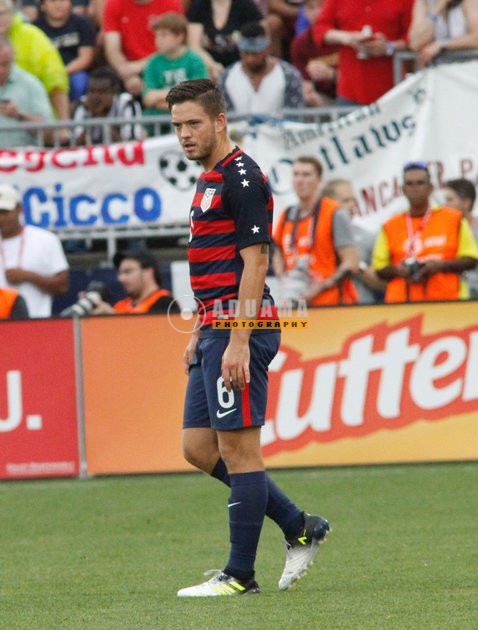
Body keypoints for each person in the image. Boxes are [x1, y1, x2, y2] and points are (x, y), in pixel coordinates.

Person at [166, 79, 330, 597]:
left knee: (240, 453)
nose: (184, 134)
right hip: (213, 325)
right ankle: (300, 525)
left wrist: (238, 340)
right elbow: (214, 265)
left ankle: (240, 575)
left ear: (219, 121)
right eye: (177, 125)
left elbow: (255, 263)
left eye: (193, 123)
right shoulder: (207, 179)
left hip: (240, 326)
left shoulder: (243, 177)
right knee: (198, 447)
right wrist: (199, 329)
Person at [372, 161, 478, 302]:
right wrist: (397, 270)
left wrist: (440, 266)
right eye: (409, 184)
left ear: (430, 188)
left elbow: (471, 260)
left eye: (420, 183)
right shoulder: (390, 225)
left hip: (448, 302)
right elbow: (379, 269)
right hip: (402, 304)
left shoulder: (454, 219)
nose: (415, 188)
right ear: (403, 190)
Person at [272, 157, 359, 307]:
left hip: (332, 304)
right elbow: (277, 250)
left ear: (319, 180)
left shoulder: (334, 213)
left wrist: (318, 288)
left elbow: (351, 263)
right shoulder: (287, 215)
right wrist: (282, 276)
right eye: (296, 174)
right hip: (296, 303)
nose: (300, 180)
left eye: (306, 175)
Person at [312, 0, 414, 105]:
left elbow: (414, 39)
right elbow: (319, 29)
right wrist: (347, 38)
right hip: (350, 91)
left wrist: (388, 47)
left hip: (392, 92)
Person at [0, 184, 69, 318]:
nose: (1, 218)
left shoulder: (46, 239)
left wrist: (30, 276)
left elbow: (62, 286)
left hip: (37, 323)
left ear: (19, 209)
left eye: (5, 212)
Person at [0, 0, 70, 123]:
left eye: (1, 13)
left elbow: (55, 80)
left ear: (11, 13)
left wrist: (63, 124)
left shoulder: (32, 36)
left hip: (33, 118)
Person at [217, 21, 305, 117]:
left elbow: (294, 117)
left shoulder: (288, 75)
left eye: (255, 53)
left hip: (279, 126)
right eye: (246, 53)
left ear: (268, 49)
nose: (250, 59)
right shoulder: (226, 77)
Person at [321, 178, 386, 304]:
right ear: (328, 203)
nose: (352, 205)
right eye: (346, 201)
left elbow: (383, 284)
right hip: (321, 308)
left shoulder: (367, 236)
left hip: (360, 309)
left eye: (353, 200)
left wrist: (356, 264)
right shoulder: (310, 237)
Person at [102, 0, 184, 97]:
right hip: (126, 68)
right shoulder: (114, 3)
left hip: (161, 64)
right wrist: (129, 76)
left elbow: (174, 44)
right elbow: (112, 49)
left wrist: (138, 67)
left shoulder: (171, 3)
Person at [142, 12, 208, 116]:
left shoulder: (194, 60)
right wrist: (182, 96)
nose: (158, 40)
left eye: (164, 35)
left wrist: (159, 95)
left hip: (189, 117)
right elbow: (148, 98)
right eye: (156, 35)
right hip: (158, 117)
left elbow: (200, 95)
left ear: (179, 36)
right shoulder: (153, 63)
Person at [33, 0, 96, 102]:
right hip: (45, 74)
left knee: (80, 82)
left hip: (74, 72)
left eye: (62, 0)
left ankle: (77, 110)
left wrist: (61, 72)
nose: (58, 5)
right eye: (53, 1)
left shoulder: (82, 23)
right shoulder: (34, 29)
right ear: (43, 6)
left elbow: (85, 58)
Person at [87, 247, 180, 314]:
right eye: (120, 273)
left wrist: (112, 318)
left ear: (148, 272)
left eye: (128, 271)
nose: (121, 278)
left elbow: (151, 332)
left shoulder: (166, 303)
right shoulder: (121, 306)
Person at [186, 0, 264, 79]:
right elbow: (194, 46)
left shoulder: (245, 5)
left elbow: (259, 38)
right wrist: (213, 65)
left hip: (240, 68)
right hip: (209, 69)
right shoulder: (199, 5)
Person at [0, 37, 54, 148]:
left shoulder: (30, 84)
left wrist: (19, 115)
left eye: (5, 64)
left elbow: (49, 131)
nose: (1, 70)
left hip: (21, 156)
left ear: (13, 58)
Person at [72, 66, 143, 145]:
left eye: (101, 92)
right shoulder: (82, 105)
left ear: (114, 91)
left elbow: (131, 146)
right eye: (91, 91)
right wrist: (92, 118)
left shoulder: (127, 104)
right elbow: (75, 146)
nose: (95, 97)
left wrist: (103, 118)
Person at [290, 0, 338, 107]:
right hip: (323, 99)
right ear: (304, 12)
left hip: (350, 97)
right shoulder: (300, 43)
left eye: (321, 5)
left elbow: (360, 80)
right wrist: (309, 92)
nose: (317, 12)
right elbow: (304, 80)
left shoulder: (345, 37)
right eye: (311, 8)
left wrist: (331, 74)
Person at [408, 0, 478, 67]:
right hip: (437, 68)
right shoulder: (424, 2)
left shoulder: (469, 2)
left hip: (468, 67)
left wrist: (442, 44)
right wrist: (437, 9)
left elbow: (476, 39)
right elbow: (415, 43)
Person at [443, 177, 478, 298]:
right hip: (449, 296)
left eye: (450, 200)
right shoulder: (441, 231)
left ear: (466, 203)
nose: (445, 205)